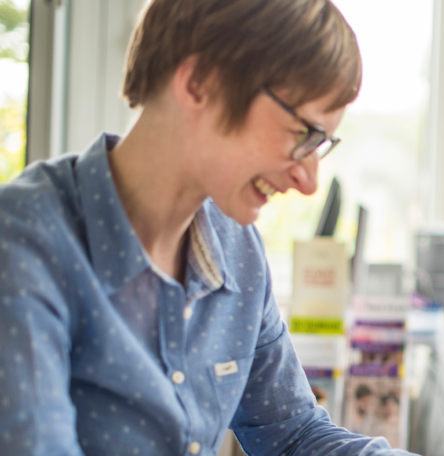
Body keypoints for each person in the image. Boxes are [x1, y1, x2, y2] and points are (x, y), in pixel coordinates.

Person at [0, 1, 415, 455]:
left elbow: (294, 435)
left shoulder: (237, 249)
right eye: (303, 134)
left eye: (321, 145)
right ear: (199, 83)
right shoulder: (24, 243)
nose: (309, 181)